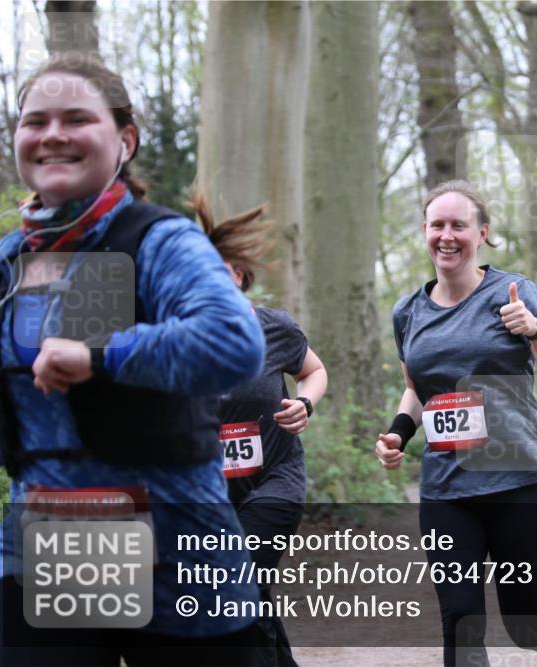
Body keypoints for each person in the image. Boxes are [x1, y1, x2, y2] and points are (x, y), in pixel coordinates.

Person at [0, 53, 266, 665]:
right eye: (35, 121)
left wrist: (101, 356)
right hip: (49, 548)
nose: (52, 133)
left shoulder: (162, 240)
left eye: (76, 118)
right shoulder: (3, 265)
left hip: (181, 547)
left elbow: (235, 343)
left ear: (124, 140)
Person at [373, 181, 537, 667]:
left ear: (483, 233)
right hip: (446, 491)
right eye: (438, 225)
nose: (447, 235)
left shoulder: (513, 293)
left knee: (525, 624)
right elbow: (418, 388)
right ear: (425, 232)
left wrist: (533, 329)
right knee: (461, 626)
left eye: (459, 225)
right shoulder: (408, 312)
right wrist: (399, 431)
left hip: (519, 483)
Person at [195, 194, 328, 667]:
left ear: (236, 274)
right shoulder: (182, 337)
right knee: (252, 598)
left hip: (275, 482)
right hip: (212, 493)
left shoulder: (275, 329)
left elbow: (315, 371)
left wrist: (305, 401)